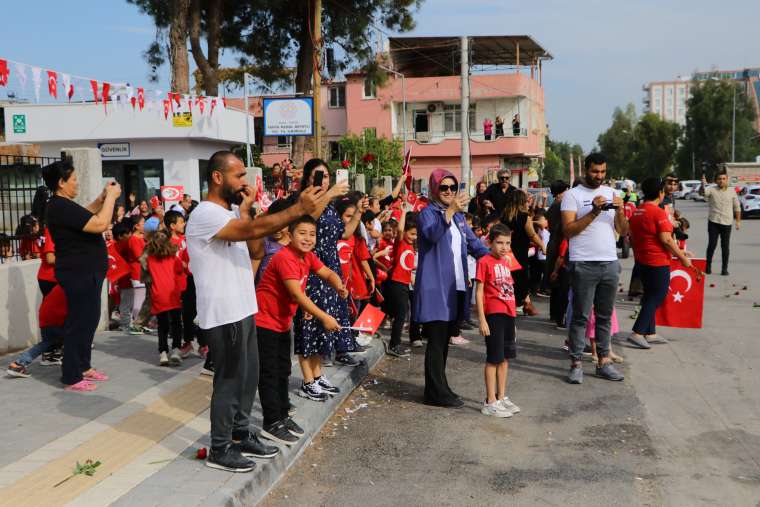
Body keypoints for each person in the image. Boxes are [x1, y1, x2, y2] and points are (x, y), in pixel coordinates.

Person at [186, 150, 324, 473]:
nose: (244, 183)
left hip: (244, 307)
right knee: (230, 381)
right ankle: (220, 447)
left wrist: (247, 212)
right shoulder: (205, 213)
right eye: (239, 176)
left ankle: (242, 432)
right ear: (217, 178)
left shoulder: (233, 214)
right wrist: (296, 210)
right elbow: (250, 234)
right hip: (224, 314)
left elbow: (256, 247)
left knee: (249, 379)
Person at [255, 215, 347, 444]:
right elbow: (296, 293)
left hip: (282, 322)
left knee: (284, 369)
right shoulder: (284, 257)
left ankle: (283, 415)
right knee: (270, 373)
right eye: (302, 233)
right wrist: (324, 317)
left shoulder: (307, 256)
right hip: (264, 322)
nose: (307, 238)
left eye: (312, 234)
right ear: (290, 235)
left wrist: (338, 284)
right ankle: (271, 422)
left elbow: (326, 272)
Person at [43, 158, 120, 391]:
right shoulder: (58, 205)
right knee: (79, 323)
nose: (77, 184)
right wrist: (113, 199)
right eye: (74, 180)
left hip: (88, 273)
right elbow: (99, 224)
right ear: (61, 183)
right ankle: (72, 376)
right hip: (78, 274)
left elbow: (85, 214)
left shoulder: (64, 206)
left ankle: (83, 366)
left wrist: (101, 199)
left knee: (88, 321)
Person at [414, 169, 489, 408]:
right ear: (434, 189)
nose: (449, 192)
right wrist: (450, 210)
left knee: (445, 340)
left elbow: (473, 243)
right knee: (436, 341)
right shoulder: (427, 213)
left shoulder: (457, 217)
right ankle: (435, 392)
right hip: (435, 286)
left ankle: (440, 387)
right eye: (444, 188)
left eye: (452, 188)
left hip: (455, 286)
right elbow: (433, 235)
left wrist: (495, 258)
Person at [560, 152, 628, 384]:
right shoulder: (572, 196)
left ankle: (604, 362)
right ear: (585, 171)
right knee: (580, 316)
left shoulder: (611, 193)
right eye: (594, 171)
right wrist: (594, 211)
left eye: (602, 172)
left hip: (609, 262)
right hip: (583, 263)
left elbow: (624, 231)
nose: (599, 176)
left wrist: (619, 210)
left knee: (605, 316)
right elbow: (568, 231)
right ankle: (576, 363)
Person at [290, 159, 359, 370]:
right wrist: (328, 193)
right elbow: (307, 221)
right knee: (312, 318)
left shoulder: (330, 207)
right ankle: (310, 375)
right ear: (308, 178)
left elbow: (344, 233)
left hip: (330, 265)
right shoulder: (304, 200)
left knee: (331, 312)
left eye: (326, 176)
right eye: (317, 175)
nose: (323, 180)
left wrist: (358, 212)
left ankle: (326, 361)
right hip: (311, 265)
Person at [627, 177, 692, 349]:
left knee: (649, 295)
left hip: (642, 260)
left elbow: (636, 237)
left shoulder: (638, 210)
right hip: (657, 261)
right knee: (657, 296)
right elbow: (667, 240)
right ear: (660, 193)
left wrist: (681, 252)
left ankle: (650, 332)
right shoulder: (658, 212)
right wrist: (683, 257)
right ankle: (638, 332)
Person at [475, 223, 521, 418]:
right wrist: (482, 320)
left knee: (505, 358)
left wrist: (514, 318)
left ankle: (501, 397)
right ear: (490, 242)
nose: (504, 247)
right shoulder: (484, 261)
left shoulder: (507, 260)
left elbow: (509, 289)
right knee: (494, 358)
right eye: (499, 242)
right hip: (493, 314)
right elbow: (478, 292)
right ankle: (489, 401)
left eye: (507, 243)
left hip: (508, 313)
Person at [6, 284, 67, 378]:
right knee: (72, 339)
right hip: (56, 320)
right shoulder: (76, 286)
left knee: (47, 342)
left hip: (46, 318)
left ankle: (18, 364)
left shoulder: (62, 284)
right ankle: (75, 367)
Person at [501, 190, 545, 316]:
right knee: (521, 279)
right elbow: (532, 235)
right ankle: (525, 303)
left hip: (507, 252)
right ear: (521, 201)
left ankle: (521, 304)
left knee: (509, 279)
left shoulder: (504, 216)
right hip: (520, 254)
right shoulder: (524, 217)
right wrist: (542, 245)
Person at [145, 230, 184, 365]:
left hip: (158, 293)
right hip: (172, 293)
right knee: (176, 323)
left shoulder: (150, 258)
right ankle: (176, 349)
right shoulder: (173, 257)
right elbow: (180, 269)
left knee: (162, 324)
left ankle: (163, 353)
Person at [384, 200, 417, 357]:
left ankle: (395, 342)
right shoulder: (401, 243)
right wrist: (404, 212)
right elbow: (401, 229)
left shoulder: (411, 246)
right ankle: (394, 345)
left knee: (401, 313)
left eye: (416, 234)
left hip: (404, 284)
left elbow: (407, 267)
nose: (413, 237)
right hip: (396, 283)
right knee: (401, 314)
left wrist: (411, 278)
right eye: (411, 234)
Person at [700, 170, 741, 275]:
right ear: (716, 180)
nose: (721, 181)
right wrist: (703, 184)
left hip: (727, 223)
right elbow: (702, 193)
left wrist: (738, 221)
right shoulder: (711, 190)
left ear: (727, 180)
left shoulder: (732, 191)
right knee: (712, 245)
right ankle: (708, 266)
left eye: (724, 179)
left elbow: (737, 207)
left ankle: (724, 269)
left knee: (725, 246)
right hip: (714, 222)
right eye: (719, 179)